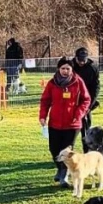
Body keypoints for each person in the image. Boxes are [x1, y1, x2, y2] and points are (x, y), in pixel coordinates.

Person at [39, 58, 92, 186]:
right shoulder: (52, 83)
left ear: (72, 69)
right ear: (58, 69)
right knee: (54, 149)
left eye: (68, 68)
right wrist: (42, 116)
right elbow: (45, 100)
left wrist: (78, 114)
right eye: (63, 68)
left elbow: (86, 100)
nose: (65, 71)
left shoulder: (78, 82)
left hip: (72, 124)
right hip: (55, 123)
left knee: (66, 151)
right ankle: (60, 168)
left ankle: (64, 175)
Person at [72, 48, 102, 132]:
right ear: (76, 57)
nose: (81, 62)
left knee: (86, 124)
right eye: (80, 60)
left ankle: (86, 140)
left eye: (83, 60)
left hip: (87, 98)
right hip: (72, 98)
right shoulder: (70, 66)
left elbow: (96, 87)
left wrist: (90, 104)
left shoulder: (92, 68)